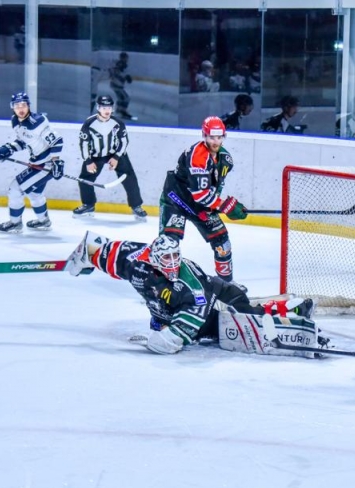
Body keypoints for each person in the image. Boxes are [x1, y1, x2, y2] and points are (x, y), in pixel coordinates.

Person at [65, 232, 316, 355]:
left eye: (176, 256)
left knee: (241, 319)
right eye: (167, 258)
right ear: (154, 258)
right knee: (237, 317)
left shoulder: (190, 287)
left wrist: (163, 338)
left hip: (214, 294)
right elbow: (99, 247)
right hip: (177, 307)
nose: (173, 262)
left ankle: (293, 313)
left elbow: (172, 341)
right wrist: (85, 258)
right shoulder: (136, 263)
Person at [159, 116, 247, 283]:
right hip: (176, 200)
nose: (215, 141)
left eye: (219, 137)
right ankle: (163, 286)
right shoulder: (198, 156)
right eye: (212, 137)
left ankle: (226, 285)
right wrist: (225, 206)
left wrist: (221, 206)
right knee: (168, 246)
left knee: (223, 244)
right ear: (204, 136)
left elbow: (215, 187)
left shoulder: (226, 159)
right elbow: (200, 194)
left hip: (200, 205)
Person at [0, 92, 64, 234]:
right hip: (37, 163)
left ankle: (15, 223)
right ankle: (43, 221)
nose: (21, 108)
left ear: (28, 106)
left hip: (45, 165)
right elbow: (24, 141)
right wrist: (8, 148)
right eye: (17, 105)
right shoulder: (15, 121)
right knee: (35, 193)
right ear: (12, 107)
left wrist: (57, 162)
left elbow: (57, 141)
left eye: (23, 105)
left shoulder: (38, 122)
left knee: (15, 189)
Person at [72, 95, 147, 221]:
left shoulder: (117, 123)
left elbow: (124, 142)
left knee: (129, 177)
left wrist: (116, 157)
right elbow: (84, 144)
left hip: (115, 154)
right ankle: (88, 204)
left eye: (109, 107)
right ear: (98, 108)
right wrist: (88, 161)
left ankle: (136, 206)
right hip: (96, 155)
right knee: (84, 179)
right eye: (103, 107)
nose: (107, 110)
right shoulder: (89, 123)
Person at [109, 52, 134, 120]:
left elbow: (113, 71)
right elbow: (120, 73)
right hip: (117, 84)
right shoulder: (122, 65)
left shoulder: (117, 64)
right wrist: (126, 77)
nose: (127, 59)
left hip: (115, 84)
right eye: (126, 58)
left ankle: (119, 110)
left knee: (121, 98)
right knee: (126, 98)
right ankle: (122, 111)